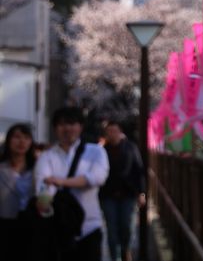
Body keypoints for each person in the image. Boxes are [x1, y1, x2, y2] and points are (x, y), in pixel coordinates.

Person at [34, 106, 109, 261]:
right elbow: (43, 189)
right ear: (55, 128)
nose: (67, 128)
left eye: (72, 123)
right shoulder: (47, 156)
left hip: (90, 227)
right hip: (58, 229)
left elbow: (97, 178)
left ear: (80, 127)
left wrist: (59, 181)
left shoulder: (96, 151)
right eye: (61, 124)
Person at [99, 120, 145, 261]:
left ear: (120, 132)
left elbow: (138, 170)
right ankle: (115, 257)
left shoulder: (131, 147)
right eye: (109, 132)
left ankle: (126, 250)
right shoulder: (101, 150)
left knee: (127, 226)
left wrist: (141, 192)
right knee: (111, 230)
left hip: (128, 194)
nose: (112, 134)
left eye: (114, 131)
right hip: (108, 195)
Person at [0, 123, 36, 261]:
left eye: (26, 138)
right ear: (8, 140)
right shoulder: (2, 168)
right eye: (17, 137)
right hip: (4, 224)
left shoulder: (38, 168)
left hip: (30, 225)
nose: (22, 142)